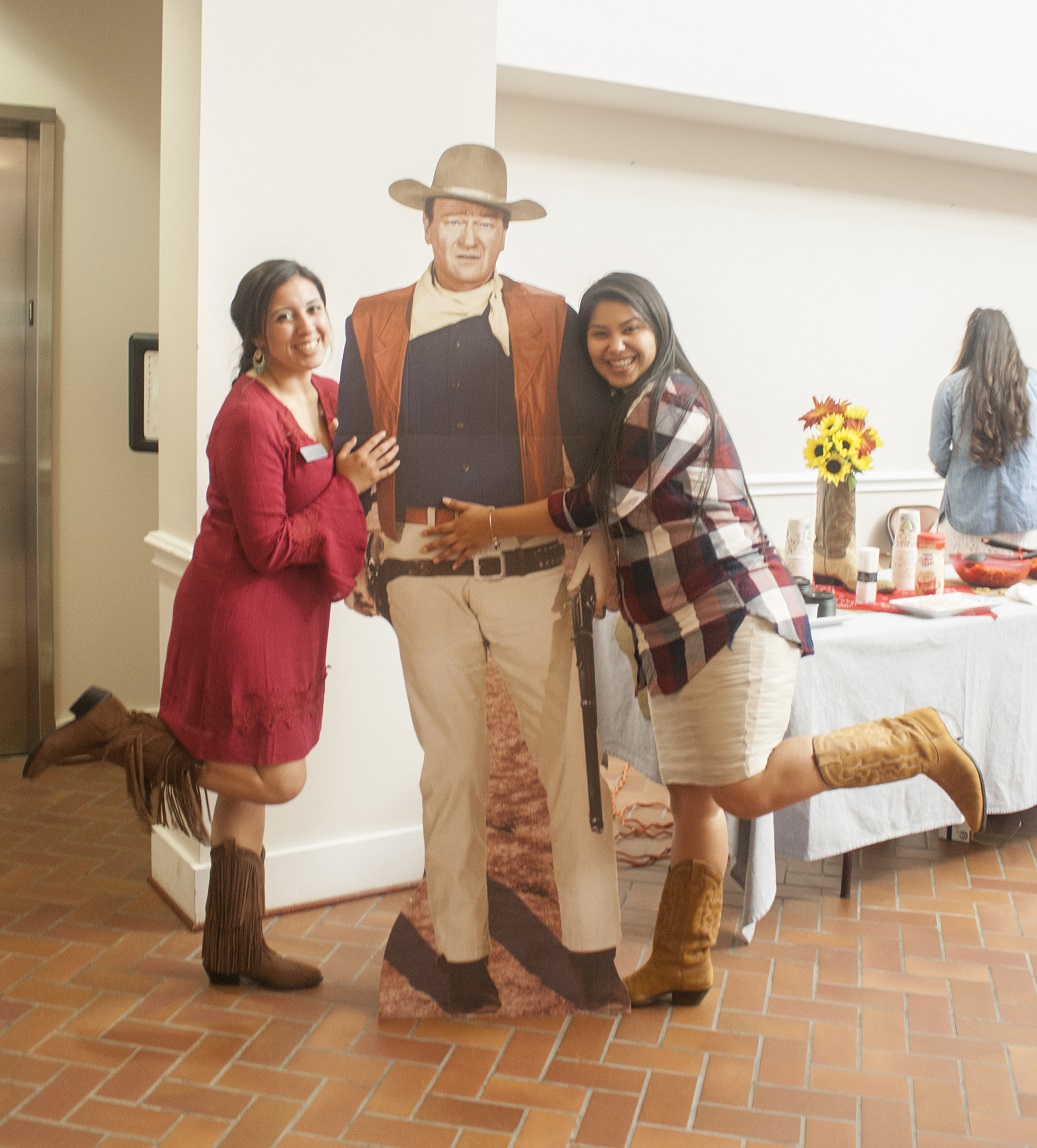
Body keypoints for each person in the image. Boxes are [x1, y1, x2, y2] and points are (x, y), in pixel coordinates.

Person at [425, 271, 987, 1009]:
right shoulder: (624, 409)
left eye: (630, 328)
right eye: (599, 333)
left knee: (741, 789)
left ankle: (917, 739)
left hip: (730, 617)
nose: (615, 345)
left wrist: (490, 524)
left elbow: (598, 503)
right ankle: (680, 961)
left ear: (658, 330)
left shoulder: (672, 399)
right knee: (693, 800)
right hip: (674, 634)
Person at [23, 260, 399, 991]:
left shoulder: (327, 398)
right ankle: (118, 736)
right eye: (284, 315)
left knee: (245, 788)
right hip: (241, 612)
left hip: (291, 617)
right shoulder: (248, 416)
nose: (306, 326)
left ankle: (234, 947)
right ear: (256, 332)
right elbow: (269, 545)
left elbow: (365, 478)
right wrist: (348, 488)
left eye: (314, 307)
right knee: (280, 778)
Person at [334, 144, 624, 1014]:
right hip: (420, 570)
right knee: (451, 767)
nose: (468, 236)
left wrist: (598, 544)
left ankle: (594, 952)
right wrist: (362, 528)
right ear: (426, 227)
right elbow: (351, 443)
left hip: (528, 567)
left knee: (570, 759)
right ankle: (460, 959)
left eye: (484, 222)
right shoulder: (371, 321)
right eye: (453, 219)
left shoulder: (549, 317)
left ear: (503, 234)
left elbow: (593, 438)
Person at [929, 307, 1037, 554]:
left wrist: (961, 469)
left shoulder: (950, 388)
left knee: (957, 581)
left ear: (971, 342)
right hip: (1024, 528)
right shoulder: (1034, 385)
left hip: (965, 523)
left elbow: (938, 455)